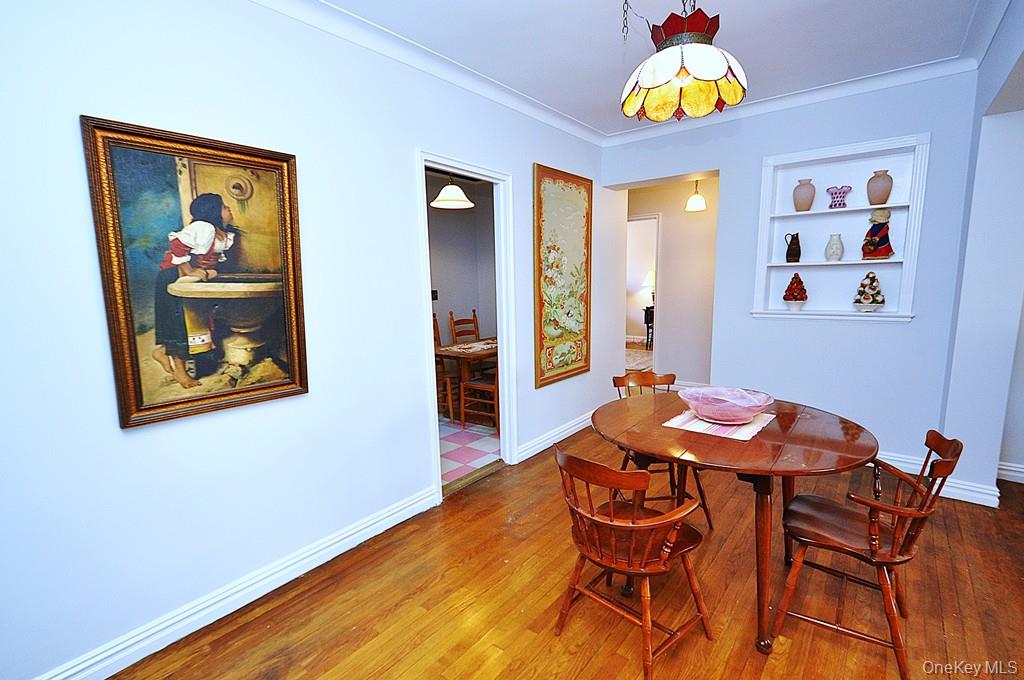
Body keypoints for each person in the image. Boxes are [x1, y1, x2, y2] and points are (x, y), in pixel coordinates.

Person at [151, 193, 236, 388]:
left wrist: (208, 273)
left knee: (194, 321)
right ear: (213, 212)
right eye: (224, 206)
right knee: (179, 324)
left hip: (191, 279)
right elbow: (177, 246)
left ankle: (162, 351)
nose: (229, 209)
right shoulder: (203, 228)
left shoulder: (223, 234)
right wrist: (189, 271)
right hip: (174, 277)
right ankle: (180, 372)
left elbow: (207, 259)